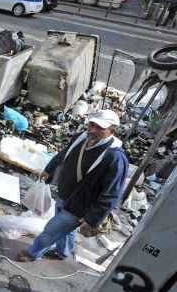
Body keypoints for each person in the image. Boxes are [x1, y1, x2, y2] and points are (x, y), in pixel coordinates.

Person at [17, 110, 128, 262]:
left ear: (112, 130)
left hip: (81, 206)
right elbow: (64, 154)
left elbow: (112, 193)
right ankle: (63, 252)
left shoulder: (115, 157)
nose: (93, 130)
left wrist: (92, 219)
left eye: (99, 128)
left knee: (51, 230)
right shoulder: (81, 138)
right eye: (91, 125)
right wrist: (49, 169)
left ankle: (32, 253)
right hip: (64, 194)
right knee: (65, 230)